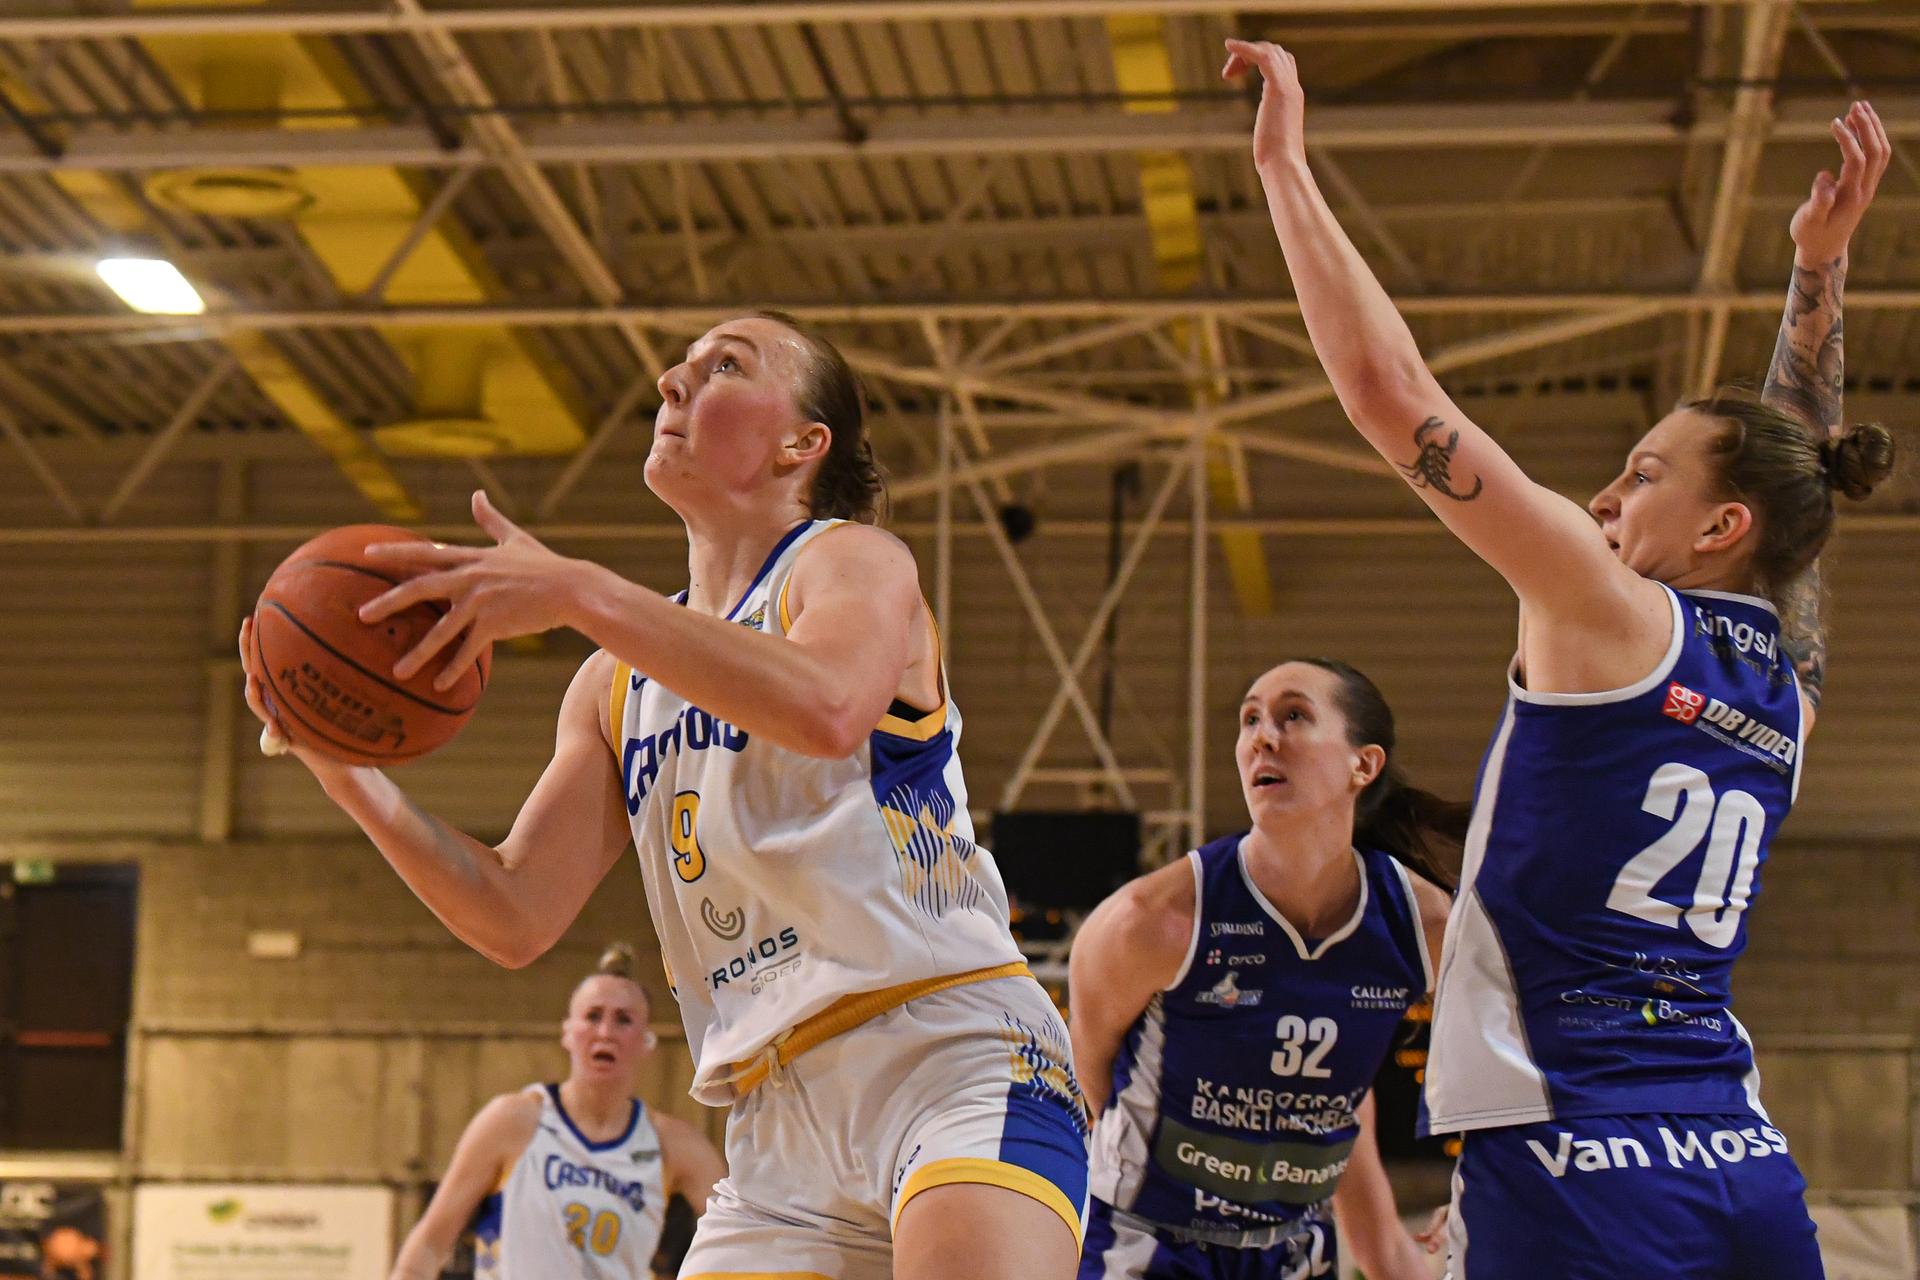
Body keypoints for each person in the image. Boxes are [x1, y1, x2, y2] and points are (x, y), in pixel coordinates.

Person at [1223, 38, 1895, 1279]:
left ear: (1718, 528)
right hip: (1739, 1161)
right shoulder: (1786, 689)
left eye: (1642, 473)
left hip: (1569, 1150)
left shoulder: (1606, 611)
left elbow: (1386, 387)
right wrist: (1816, 270)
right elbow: (1793, 481)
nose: (1602, 494)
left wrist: (1284, 169)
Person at [238, 310, 1091, 1280]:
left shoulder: (848, 561)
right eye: (678, 367)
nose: (670, 384)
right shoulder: (609, 683)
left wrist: (579, 591)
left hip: (950, 1053)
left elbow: (825, 705)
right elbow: (513, 912)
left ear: (799, 444)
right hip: (774, 1122)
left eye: (723, 366)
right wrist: (341, 766)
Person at [1071, 659, 1455, 1280]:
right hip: (1145, 1243)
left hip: (1293, 1249)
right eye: (1250, 719)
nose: (1262, 737)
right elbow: (1093, 1085)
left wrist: (1478, 1181)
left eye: (1294, 716)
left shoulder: (1425, 923)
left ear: (1364, 764)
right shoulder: (1151, 920)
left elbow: (1349, 1100)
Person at [387, 945, 722, 1280]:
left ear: (647, 1041)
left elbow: (742, 1234)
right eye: (593, 1016)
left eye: (623, 1020)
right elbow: (430, 1244)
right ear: (568, 1033)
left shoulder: (673, 1145)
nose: (605, 1032)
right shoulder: (514, 1120)